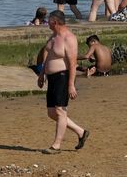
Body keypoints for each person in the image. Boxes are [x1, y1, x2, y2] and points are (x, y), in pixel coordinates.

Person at [37, 10, 89, 153]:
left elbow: (72, 63)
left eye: (49, 21)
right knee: (51, 112)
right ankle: (81, 132)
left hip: (63, 77)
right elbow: (48, 58)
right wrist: (41, 74)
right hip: (51, 78)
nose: (47, 23)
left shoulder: (69, 38)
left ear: (55, 22)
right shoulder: (53, 37)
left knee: (60, 111)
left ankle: (56, 145)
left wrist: (71, 85)